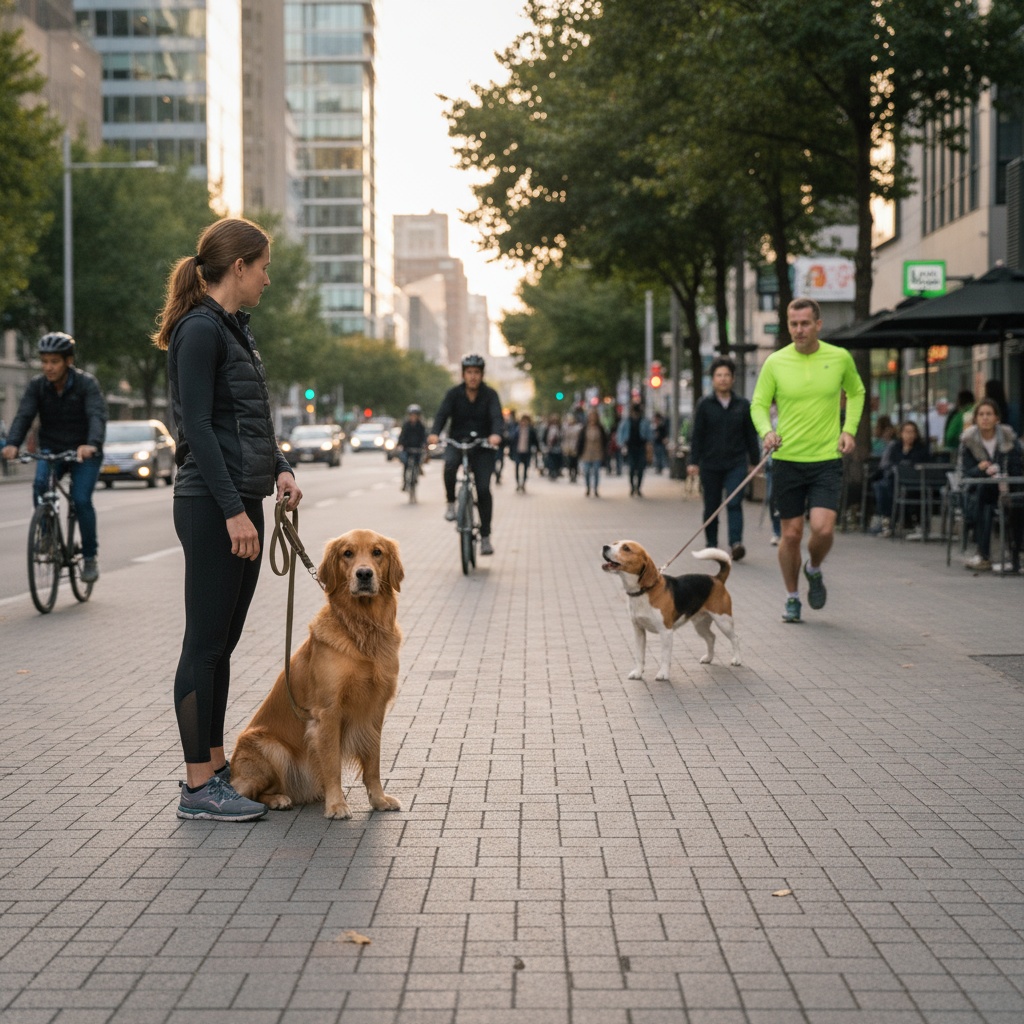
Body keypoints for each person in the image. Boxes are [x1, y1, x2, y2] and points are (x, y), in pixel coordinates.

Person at [152, 216, 302, 822]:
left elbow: (248, 420)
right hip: (212, 504)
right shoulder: (198, 330)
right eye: (263, 267)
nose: (268, 278)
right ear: (238, 267)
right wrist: (234, 511)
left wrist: (281, 467)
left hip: (241, 500)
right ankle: (197, 788)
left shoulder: (234, 329)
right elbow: (198, 429)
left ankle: (215, 768)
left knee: (222, 644)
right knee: (203, 645)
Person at [750, 297, 866, 623]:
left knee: (823, 529)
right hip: (787, 459)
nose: (799, 330)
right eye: (793, 324)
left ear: (818, 324)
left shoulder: (839, 357)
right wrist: (766, 432)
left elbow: (856, 392)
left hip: (826, 459)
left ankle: (813, 568)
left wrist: (849, 429)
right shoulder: (775, 362)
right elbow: (759, 404)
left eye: (804, 323)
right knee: (790, 535)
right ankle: (792, 597)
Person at [2, 332, 107, 583]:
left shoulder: (86, 384)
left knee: (81, 500)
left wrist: (91, 444)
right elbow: (24, 415)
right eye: (44, 361)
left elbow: (96, 416)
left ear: (68, 361)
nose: (48, 367)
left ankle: (89, 557)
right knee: (40, 485)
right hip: (51, 449)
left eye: (54, 362)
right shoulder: (37, 386)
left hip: (83, 451)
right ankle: (47, 536)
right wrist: (13, 443)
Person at [428, 353, 504, 554]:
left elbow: (497, 417)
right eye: (469, 372)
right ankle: (451, 502)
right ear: (463, 374)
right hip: (457, 442)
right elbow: (442, 415)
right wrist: (434, 433)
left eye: (476, 372)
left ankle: (485, 537)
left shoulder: (490, 395)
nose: (473, 376)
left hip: (482, 446)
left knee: (483, 489)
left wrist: (496, 434)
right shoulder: (453, 394)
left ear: (482, 374)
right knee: (450, 465)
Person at [687, 355, 761, 561]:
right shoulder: (704, 405)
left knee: (734, 502)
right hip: (710, 464)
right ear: (713, 379)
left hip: (736, 463)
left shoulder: (743, 405)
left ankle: (736, 543)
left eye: (727, 375)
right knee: (711, 505)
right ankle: (711, 545)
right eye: (719, 375)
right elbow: (697, 435)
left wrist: (755, 462)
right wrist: (693, 461)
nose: (723, 379)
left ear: (733, 378)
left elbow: (750, 435)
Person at [957, 397, 1023, 572]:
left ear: (997, 418)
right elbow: (966, 473)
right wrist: (980, 469)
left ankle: (1017, 554)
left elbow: (1017, 466)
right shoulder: (968, 441)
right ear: (976, 419)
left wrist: (1004, 473)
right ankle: (983, 554)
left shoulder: (1009, 438)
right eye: (981, 414)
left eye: (989, 414)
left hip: (1007, 487)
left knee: (1017, 501)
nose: (985, 418)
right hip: (979, 491)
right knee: (983, 497)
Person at [871, 420, 928, 537]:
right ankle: (886, 520)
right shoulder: (895, 447)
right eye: (906, 432)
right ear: (901, 433)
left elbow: (922, 465)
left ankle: (890, 520)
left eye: (912, 432)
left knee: (886, 486)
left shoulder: (921, 449)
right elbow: (887, 464)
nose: (909, 435)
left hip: (914, 483)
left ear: (916, 434)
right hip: (894, 480)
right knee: (881, 486)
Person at [617, 403, 653, 496]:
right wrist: (622, 444)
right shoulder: (626, 422)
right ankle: (633, 487)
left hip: (641, 447)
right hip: (631, 447)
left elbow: (649, 435)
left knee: (641, 468)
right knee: (632, 468)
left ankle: (638, 487)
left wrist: (649, 444)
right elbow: (620, 434)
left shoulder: (644, 421)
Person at [577, 408, 609, 497]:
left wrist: (605, 452)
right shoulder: (585, 428)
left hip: (597, 453)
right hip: (586, 453)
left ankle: (595, 489)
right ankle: (588, 487)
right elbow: (580, 441)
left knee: (596, 471)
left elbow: (605, 441)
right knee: (586, 471)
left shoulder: (600, 428)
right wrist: (579, 452)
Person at [397, 404, 427, 489]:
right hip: (407, 448)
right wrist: (400, 444)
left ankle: (417, 472)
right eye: (412, 415)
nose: (413, 417)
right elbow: (402, 436)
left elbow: (424, 437)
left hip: (417, 448)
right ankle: (405, 482)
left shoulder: (421, 426)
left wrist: (425, 445)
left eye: (415, 415)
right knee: (406, 464)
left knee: (418, 461)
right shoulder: (406, 425)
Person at [509, 412, 539, 492]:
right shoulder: (516, 429)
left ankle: (523, 483)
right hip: (517, 452)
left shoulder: (531, 430)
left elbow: (535, 441)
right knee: (517, 467)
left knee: (526, 468)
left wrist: (538, 449)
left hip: (527, 452)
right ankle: (518, 483)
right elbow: (512, 441)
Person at [563, 414, 582, 483]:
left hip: (576, 447)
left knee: (575, 462)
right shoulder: (566, 428)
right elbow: (564, 438)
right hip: (568, 447)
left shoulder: (578, 427)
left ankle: (575, 475)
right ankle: (571, 475)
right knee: (569, 462)